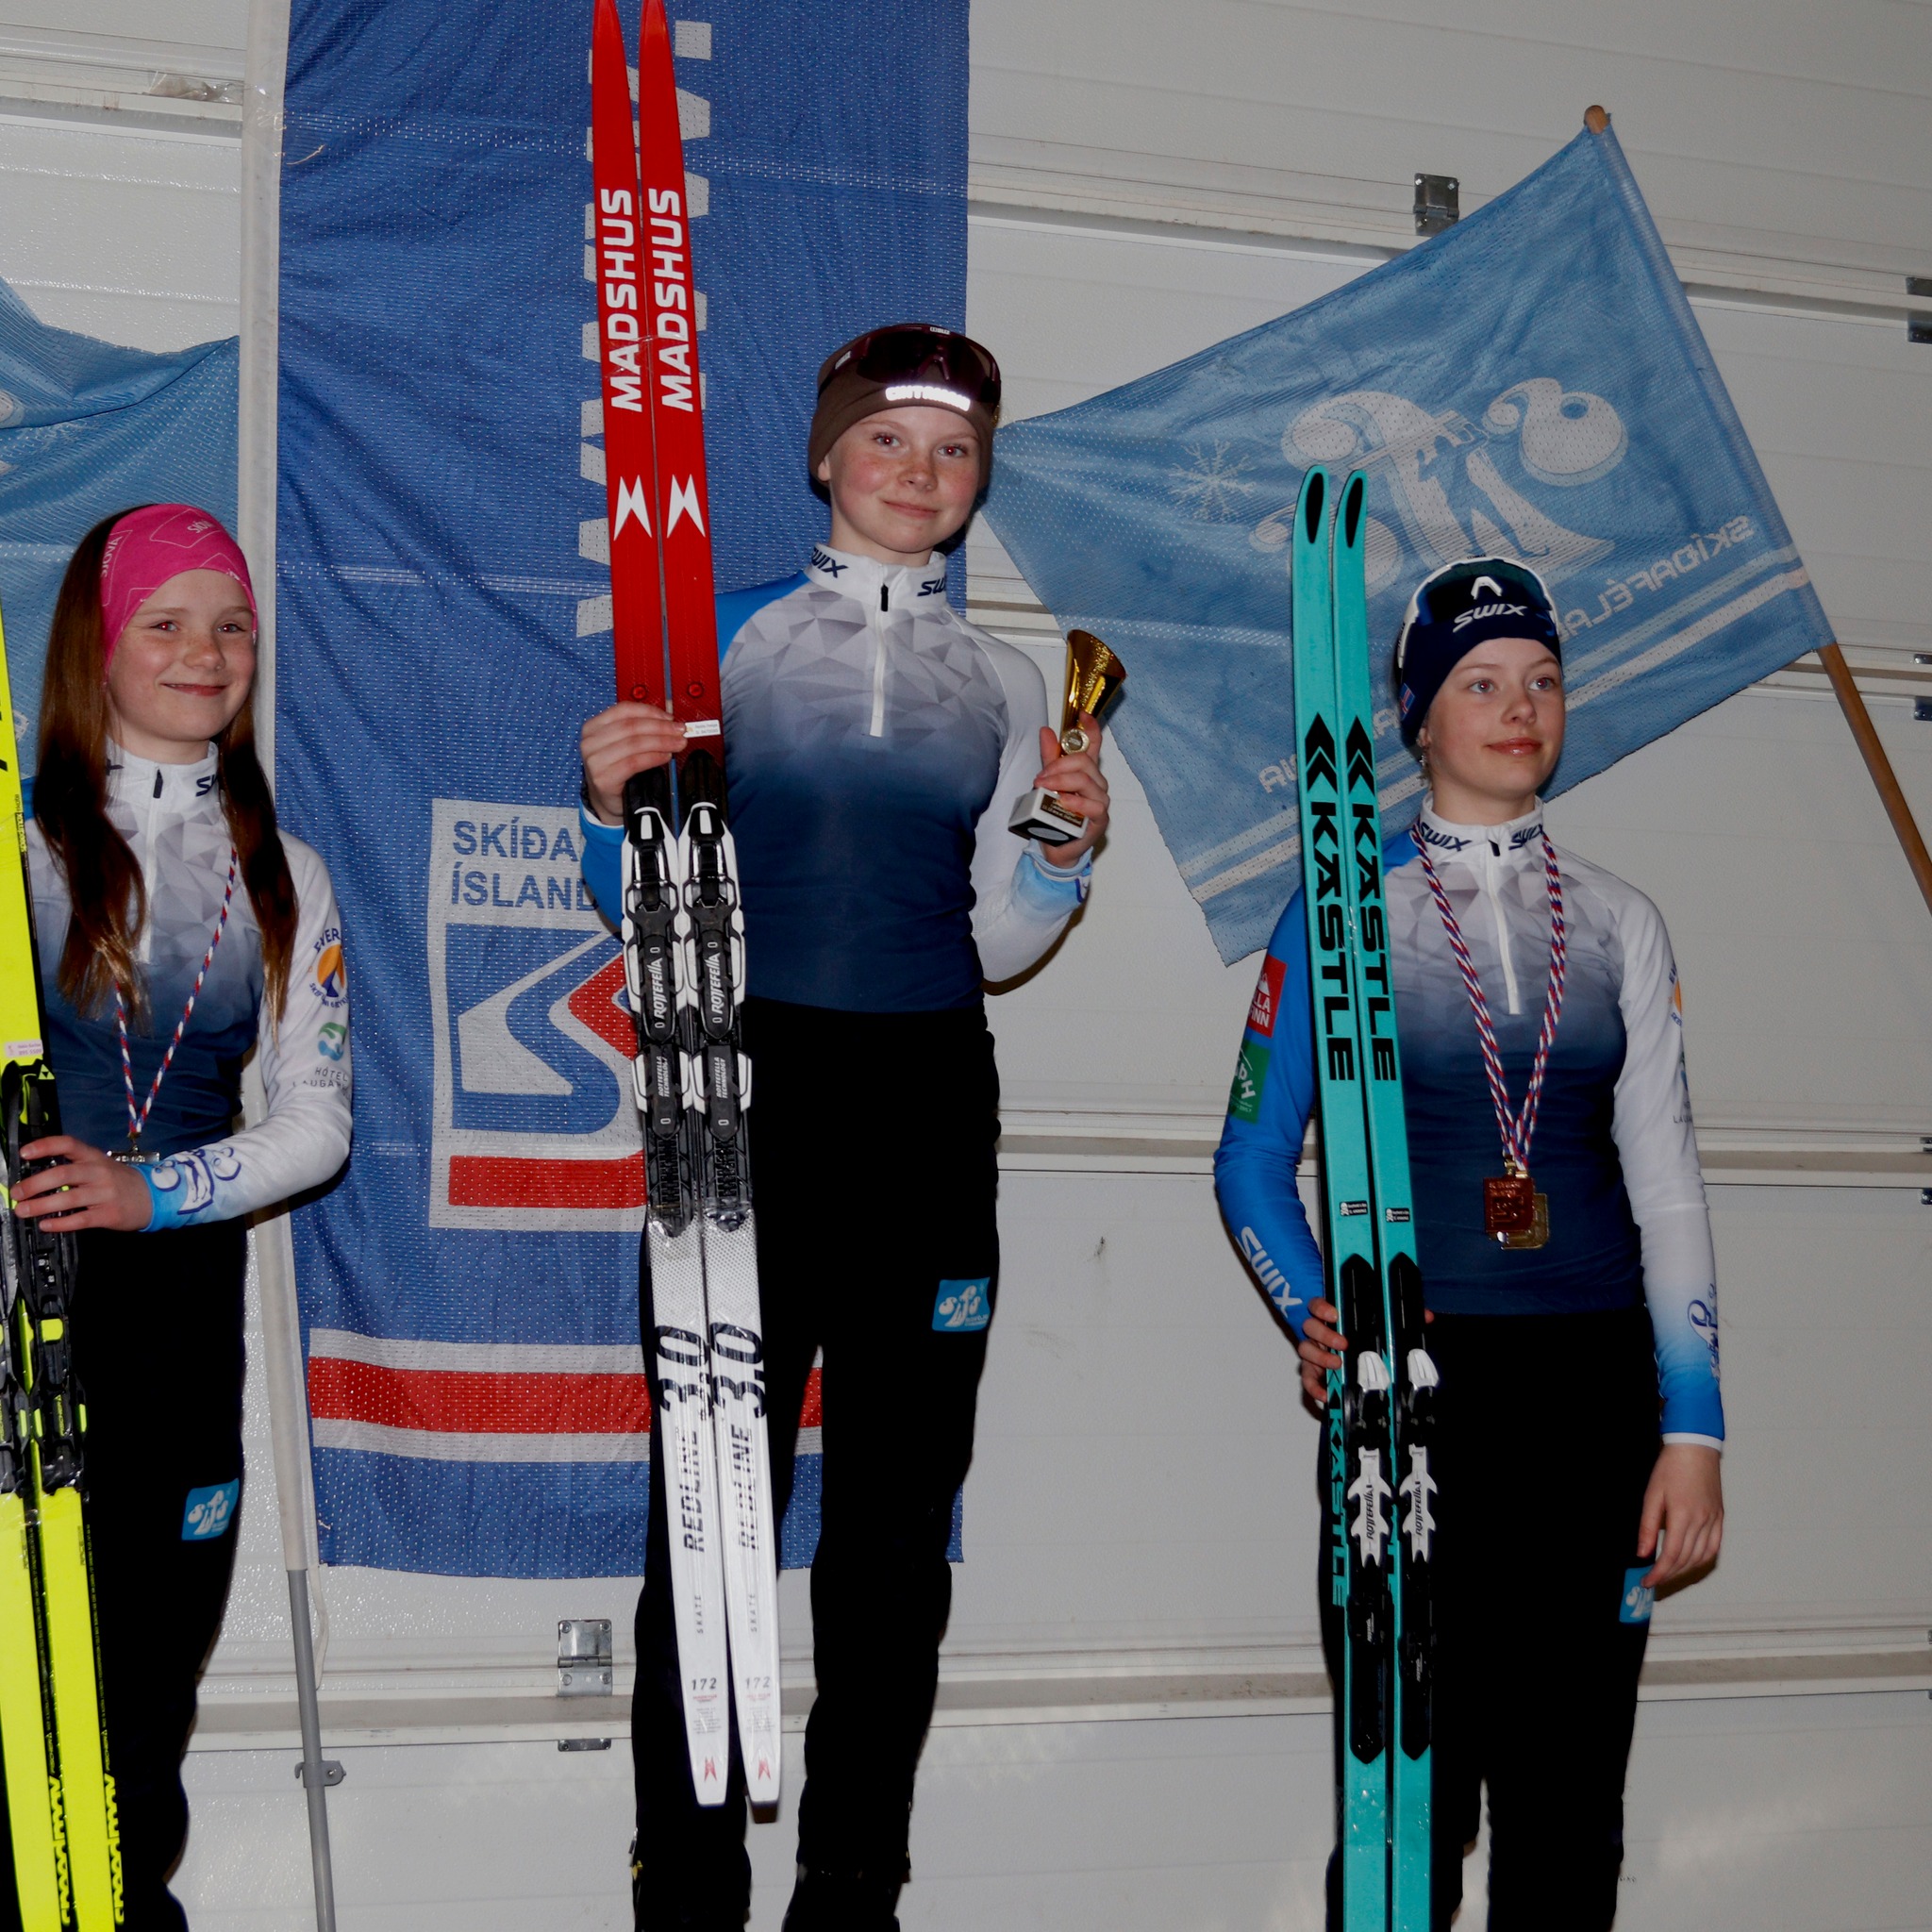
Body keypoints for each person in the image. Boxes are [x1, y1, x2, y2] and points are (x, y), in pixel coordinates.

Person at [577, 324, 1109, 1932]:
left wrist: (1064, 854)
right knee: (711, 1517)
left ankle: (851, 1895)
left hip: (929, 1104)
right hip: (746, 1092)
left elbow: (1000, 940)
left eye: (954, 452)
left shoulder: (1009, 683)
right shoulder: (716, 637)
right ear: (826, 455)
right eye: (888, 439)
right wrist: (607, 811)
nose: (919, 473)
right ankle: (688, 1892)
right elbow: (647, 917)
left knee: (894, 1536)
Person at [1214, 557, 1724, 1930]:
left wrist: (1694, 1429)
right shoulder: (1339, 914)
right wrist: (1313, 1309)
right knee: (1407, 1816)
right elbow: (1250, 1160)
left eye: (1542, 680)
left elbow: (1670, 1188)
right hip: (1415, 1400)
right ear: (1418, 719)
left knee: (1569, 1815)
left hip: (1594, 1402)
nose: (1519, 708)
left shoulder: (1620, 922)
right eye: (1482, 683)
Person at [0, 505, 352, 1932]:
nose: (206, 653)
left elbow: (318, 1122)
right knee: (27, 1688)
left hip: (182, 1321)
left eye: (233, 626)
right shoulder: (21, 852)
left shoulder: (284, 870)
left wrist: (154, 1192)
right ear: (98, 645)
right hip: (27, 1309)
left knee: (149, 1686)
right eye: (166, 622)